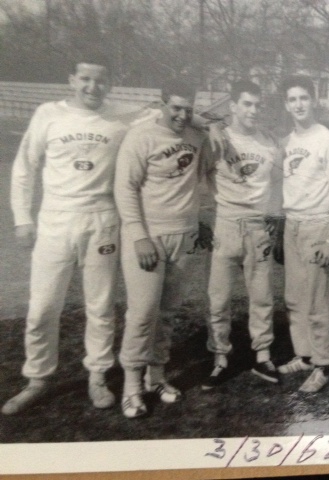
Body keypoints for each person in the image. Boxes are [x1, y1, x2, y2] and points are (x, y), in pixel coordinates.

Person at [3, 52, 157, 415]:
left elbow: (165, 111)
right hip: (55, 218)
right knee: (42, 307)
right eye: (85, 79)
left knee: (100, 305)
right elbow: (24, 167)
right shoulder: (48, 114)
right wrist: (22, 218)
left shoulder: (121, 114)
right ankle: (38, 378)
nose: (93, 87)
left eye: (100, 80)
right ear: (71, 80)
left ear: (110, 83)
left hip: (102, 219)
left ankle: (98, 375)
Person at [114, 79, 214, 418]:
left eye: (189, 109)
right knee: (142, 314)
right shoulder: (140, 136)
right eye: (176, 108)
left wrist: (198, 120)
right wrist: (139, 235)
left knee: (168, 314)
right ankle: (131, 387)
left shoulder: (196, 135)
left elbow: (218, 131)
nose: (182, 115)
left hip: (183, 236)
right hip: (148, 237)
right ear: (160, 103)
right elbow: (125, 189)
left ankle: (155, 377)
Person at [200, 80, 283, 389]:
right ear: (232, 106)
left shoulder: (270, 142)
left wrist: (272, 216)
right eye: (246, 104)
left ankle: (263, 356)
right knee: (218, 298)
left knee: (262, 297)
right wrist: (210, 124)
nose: (253, 110)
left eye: (258, 105)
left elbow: (278, 183)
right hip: (226, 224)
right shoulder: (217, 138)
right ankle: (220, 358)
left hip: (258, 227)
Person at [277, 75, 329, 392]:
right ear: (285, 104)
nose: (298, 105)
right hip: (292, 223)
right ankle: (303, 355)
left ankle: (322, 364)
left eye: (304, 98)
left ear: (314, 100)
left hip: (319, 225)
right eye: (292, 99)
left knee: (319, 300)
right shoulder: (288, 141)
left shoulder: (328, 140)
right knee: (295, 298)